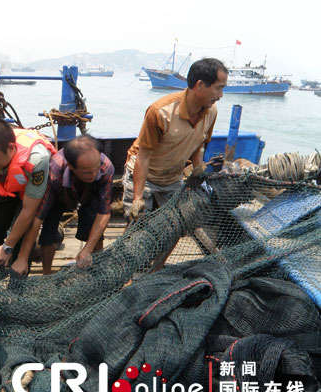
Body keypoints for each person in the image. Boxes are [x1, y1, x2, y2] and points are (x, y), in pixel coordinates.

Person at [123, 58, 228, 221]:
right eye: (218, 88)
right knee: (136, 229)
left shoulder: (211, 111)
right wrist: (137, 198)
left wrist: (198, 168)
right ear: (200, 85)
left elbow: (199, 142)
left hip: (172, 179)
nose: (221, 96)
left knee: (173, 227)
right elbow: (143, 157)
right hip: (145, 176)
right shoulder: (160, 112)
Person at [11, 135, 114, 276]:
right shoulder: (55, 171)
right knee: (48, 231)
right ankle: (47, 275)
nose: (94, 173)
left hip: (90, 195)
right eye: (87, 172)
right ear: (71, 166)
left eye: (96, 168)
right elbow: (38, 217)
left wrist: (87, 250)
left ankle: (96, 272)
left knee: (93, 224)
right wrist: (22, 258)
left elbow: (104, 212)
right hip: (59, 195)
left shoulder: (105, 167)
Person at [0, 117, 56, 266]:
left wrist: (7, 246)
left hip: (32, 193)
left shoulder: (36, 160)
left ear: (11, 148)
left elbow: (29, 211)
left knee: (19, 242)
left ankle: (17, 282)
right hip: (6, 187)